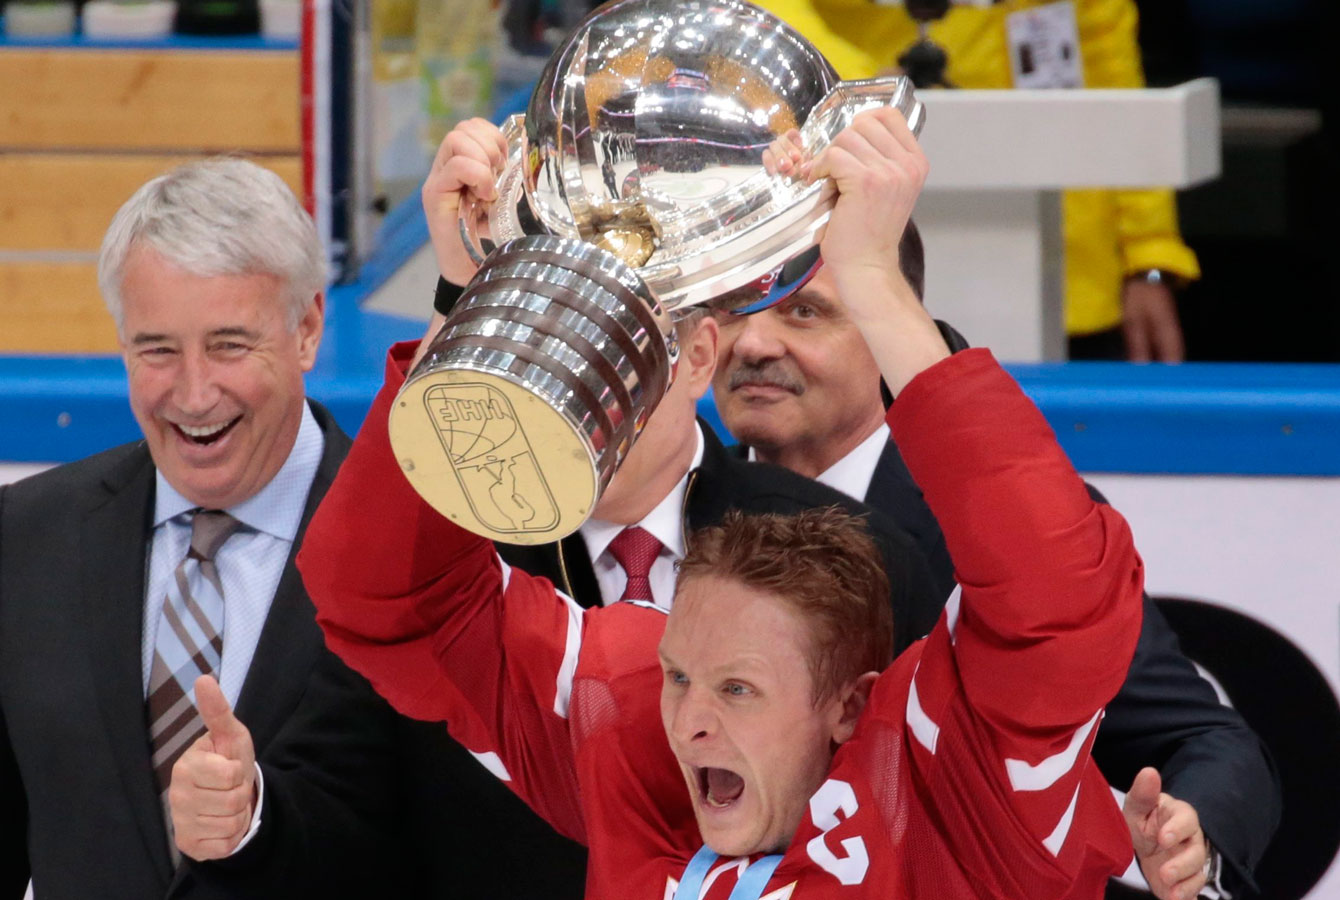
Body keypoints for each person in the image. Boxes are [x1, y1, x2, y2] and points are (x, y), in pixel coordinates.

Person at [300, 105, 1144, 898]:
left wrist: (874, 281)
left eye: (739, 690)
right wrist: (471, 302)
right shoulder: (638, 743)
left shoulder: (953, 793)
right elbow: (389, 600)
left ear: (849, 705)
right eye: (677, 676)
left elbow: (1059, 600)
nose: (691, 723)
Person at [709, 194, 1280, 896]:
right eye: (734, 305)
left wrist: (1192, 836)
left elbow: (1207, 744)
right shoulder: (679, 506)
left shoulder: (1004, 531)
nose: (753, 343)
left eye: (803, 311)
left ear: (893, 321)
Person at [0, 159, 410, 898]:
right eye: (157, 349)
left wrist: (254, 815)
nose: (192, 394)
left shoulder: (417, 558)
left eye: (228, 345)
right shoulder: (24, 542)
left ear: (308, 328)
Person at [754, 0, 1200, 361]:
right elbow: (761, 14)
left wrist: (1147, 254)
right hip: (851, 248)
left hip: (1072, 266)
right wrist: (863, 88)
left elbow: (1112, 77)